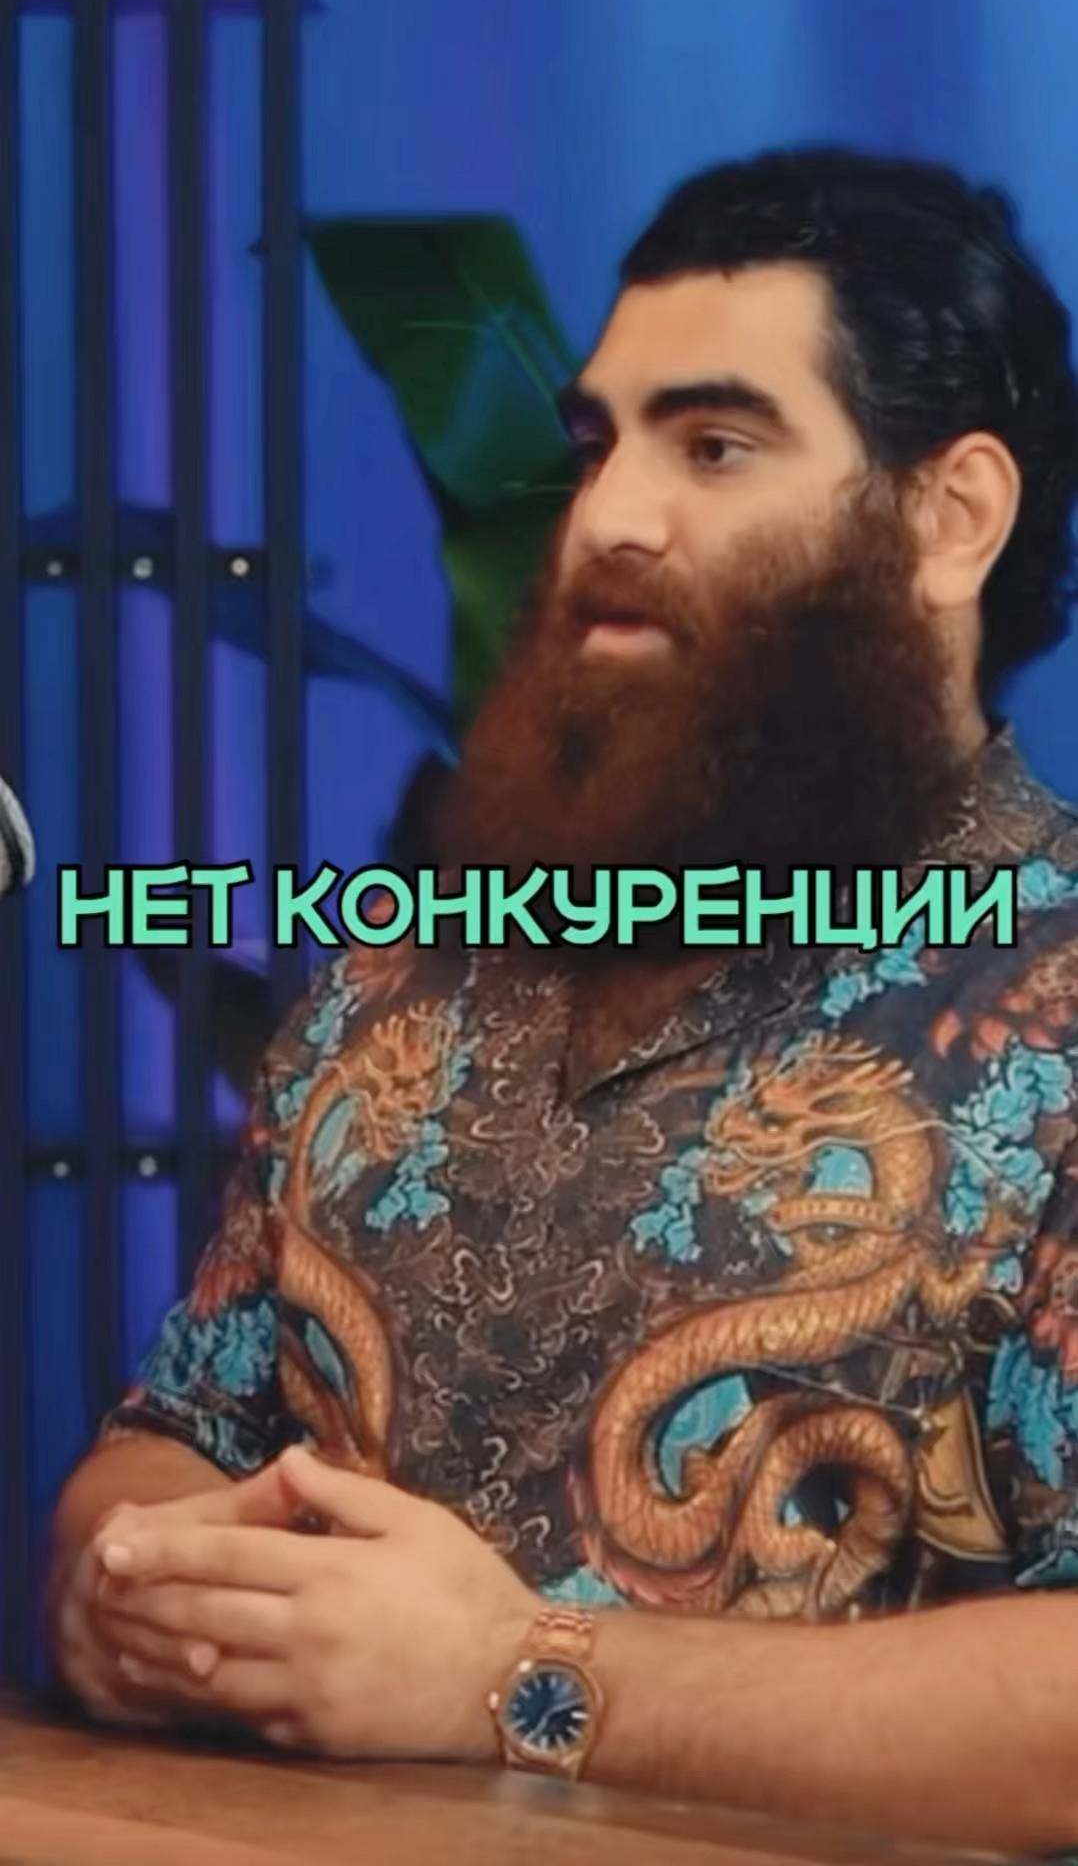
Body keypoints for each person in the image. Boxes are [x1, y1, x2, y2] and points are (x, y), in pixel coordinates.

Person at [50, 145, 1078, 1857]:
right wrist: (135, 1578)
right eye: (598, 444)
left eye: (715, 445)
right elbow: (170, 1440)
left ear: (946, 516)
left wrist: (515, 1677)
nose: (606, 516)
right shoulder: (405, 971)